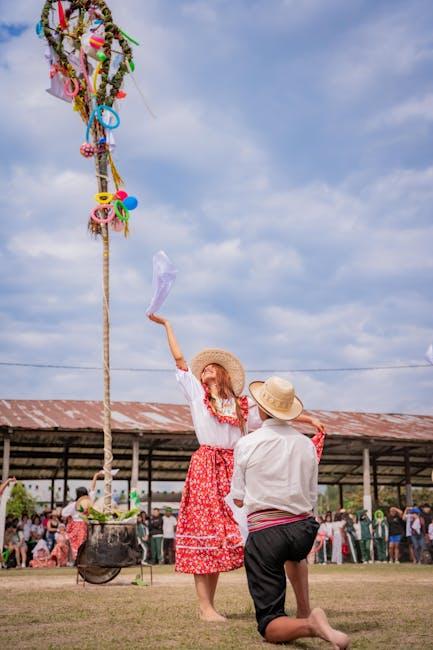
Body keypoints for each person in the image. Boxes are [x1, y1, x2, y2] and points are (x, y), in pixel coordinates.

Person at [149, 314, 325, 622]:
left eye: (209, 368)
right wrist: (168, 326)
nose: (203, 371)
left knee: (268, 528)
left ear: (222, 374)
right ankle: (206, 608)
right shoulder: (197, 396)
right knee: (207, 534)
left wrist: (308, 419)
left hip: (238, 466)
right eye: (201, 368)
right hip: (207, 466)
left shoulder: (243, 407)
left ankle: (299, 605)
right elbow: (178, 360)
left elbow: (277, 412)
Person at [231, 375, 349, 647]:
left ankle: (311, 623)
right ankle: (305, 608)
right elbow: (310, 497)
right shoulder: (306, 445)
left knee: (270, 626)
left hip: (267, 533)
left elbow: (238, 498)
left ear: (261, 409)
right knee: (294, 554)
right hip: (303, 530)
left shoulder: (247, 443)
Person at [61, 469, 103, 560]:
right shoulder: (89, 500)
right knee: (84, 544)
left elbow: (63, 513)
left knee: (77, 545)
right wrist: (96, 476)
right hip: (86, 525)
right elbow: (93, 489)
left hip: (76, 526)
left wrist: (71, 516)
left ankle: (78, 560)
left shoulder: (73, 505)